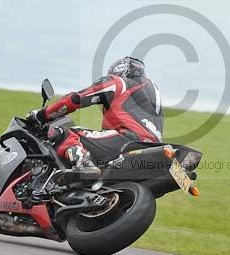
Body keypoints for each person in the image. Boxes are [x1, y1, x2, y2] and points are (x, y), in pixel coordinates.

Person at [26, 57, 163, 190]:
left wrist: (41, 114)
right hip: (153, 150)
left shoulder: (118, 83)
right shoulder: (152, 98)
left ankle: (84, 164)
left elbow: (75, 99)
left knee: (67, 133)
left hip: (127, 139)